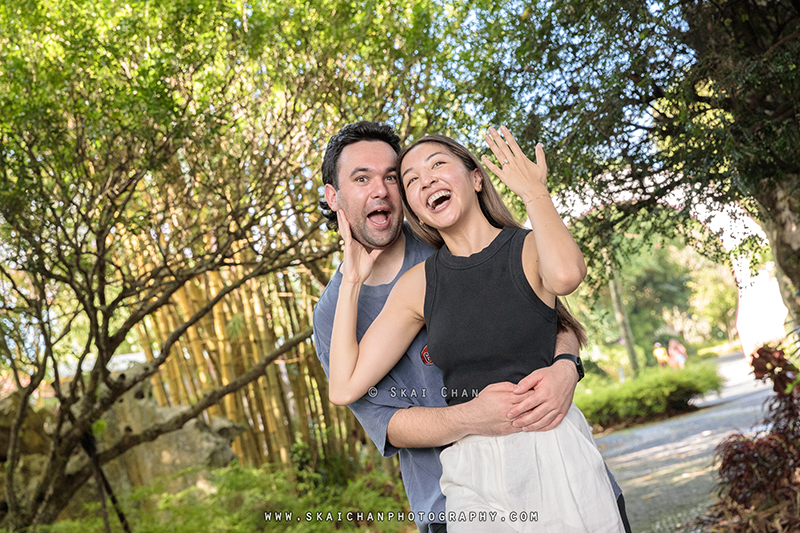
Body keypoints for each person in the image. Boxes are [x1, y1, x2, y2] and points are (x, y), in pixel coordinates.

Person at [326, 125, 625, 532]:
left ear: (476, 177)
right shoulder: (418, 283)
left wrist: (535, 193)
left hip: (555, 449)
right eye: (411, 178)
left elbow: (566, 280)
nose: (425, 179)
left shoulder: (528, 247)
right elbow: (344, 388)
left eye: (436, 166)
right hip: (470, 478)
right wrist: (352, 279)